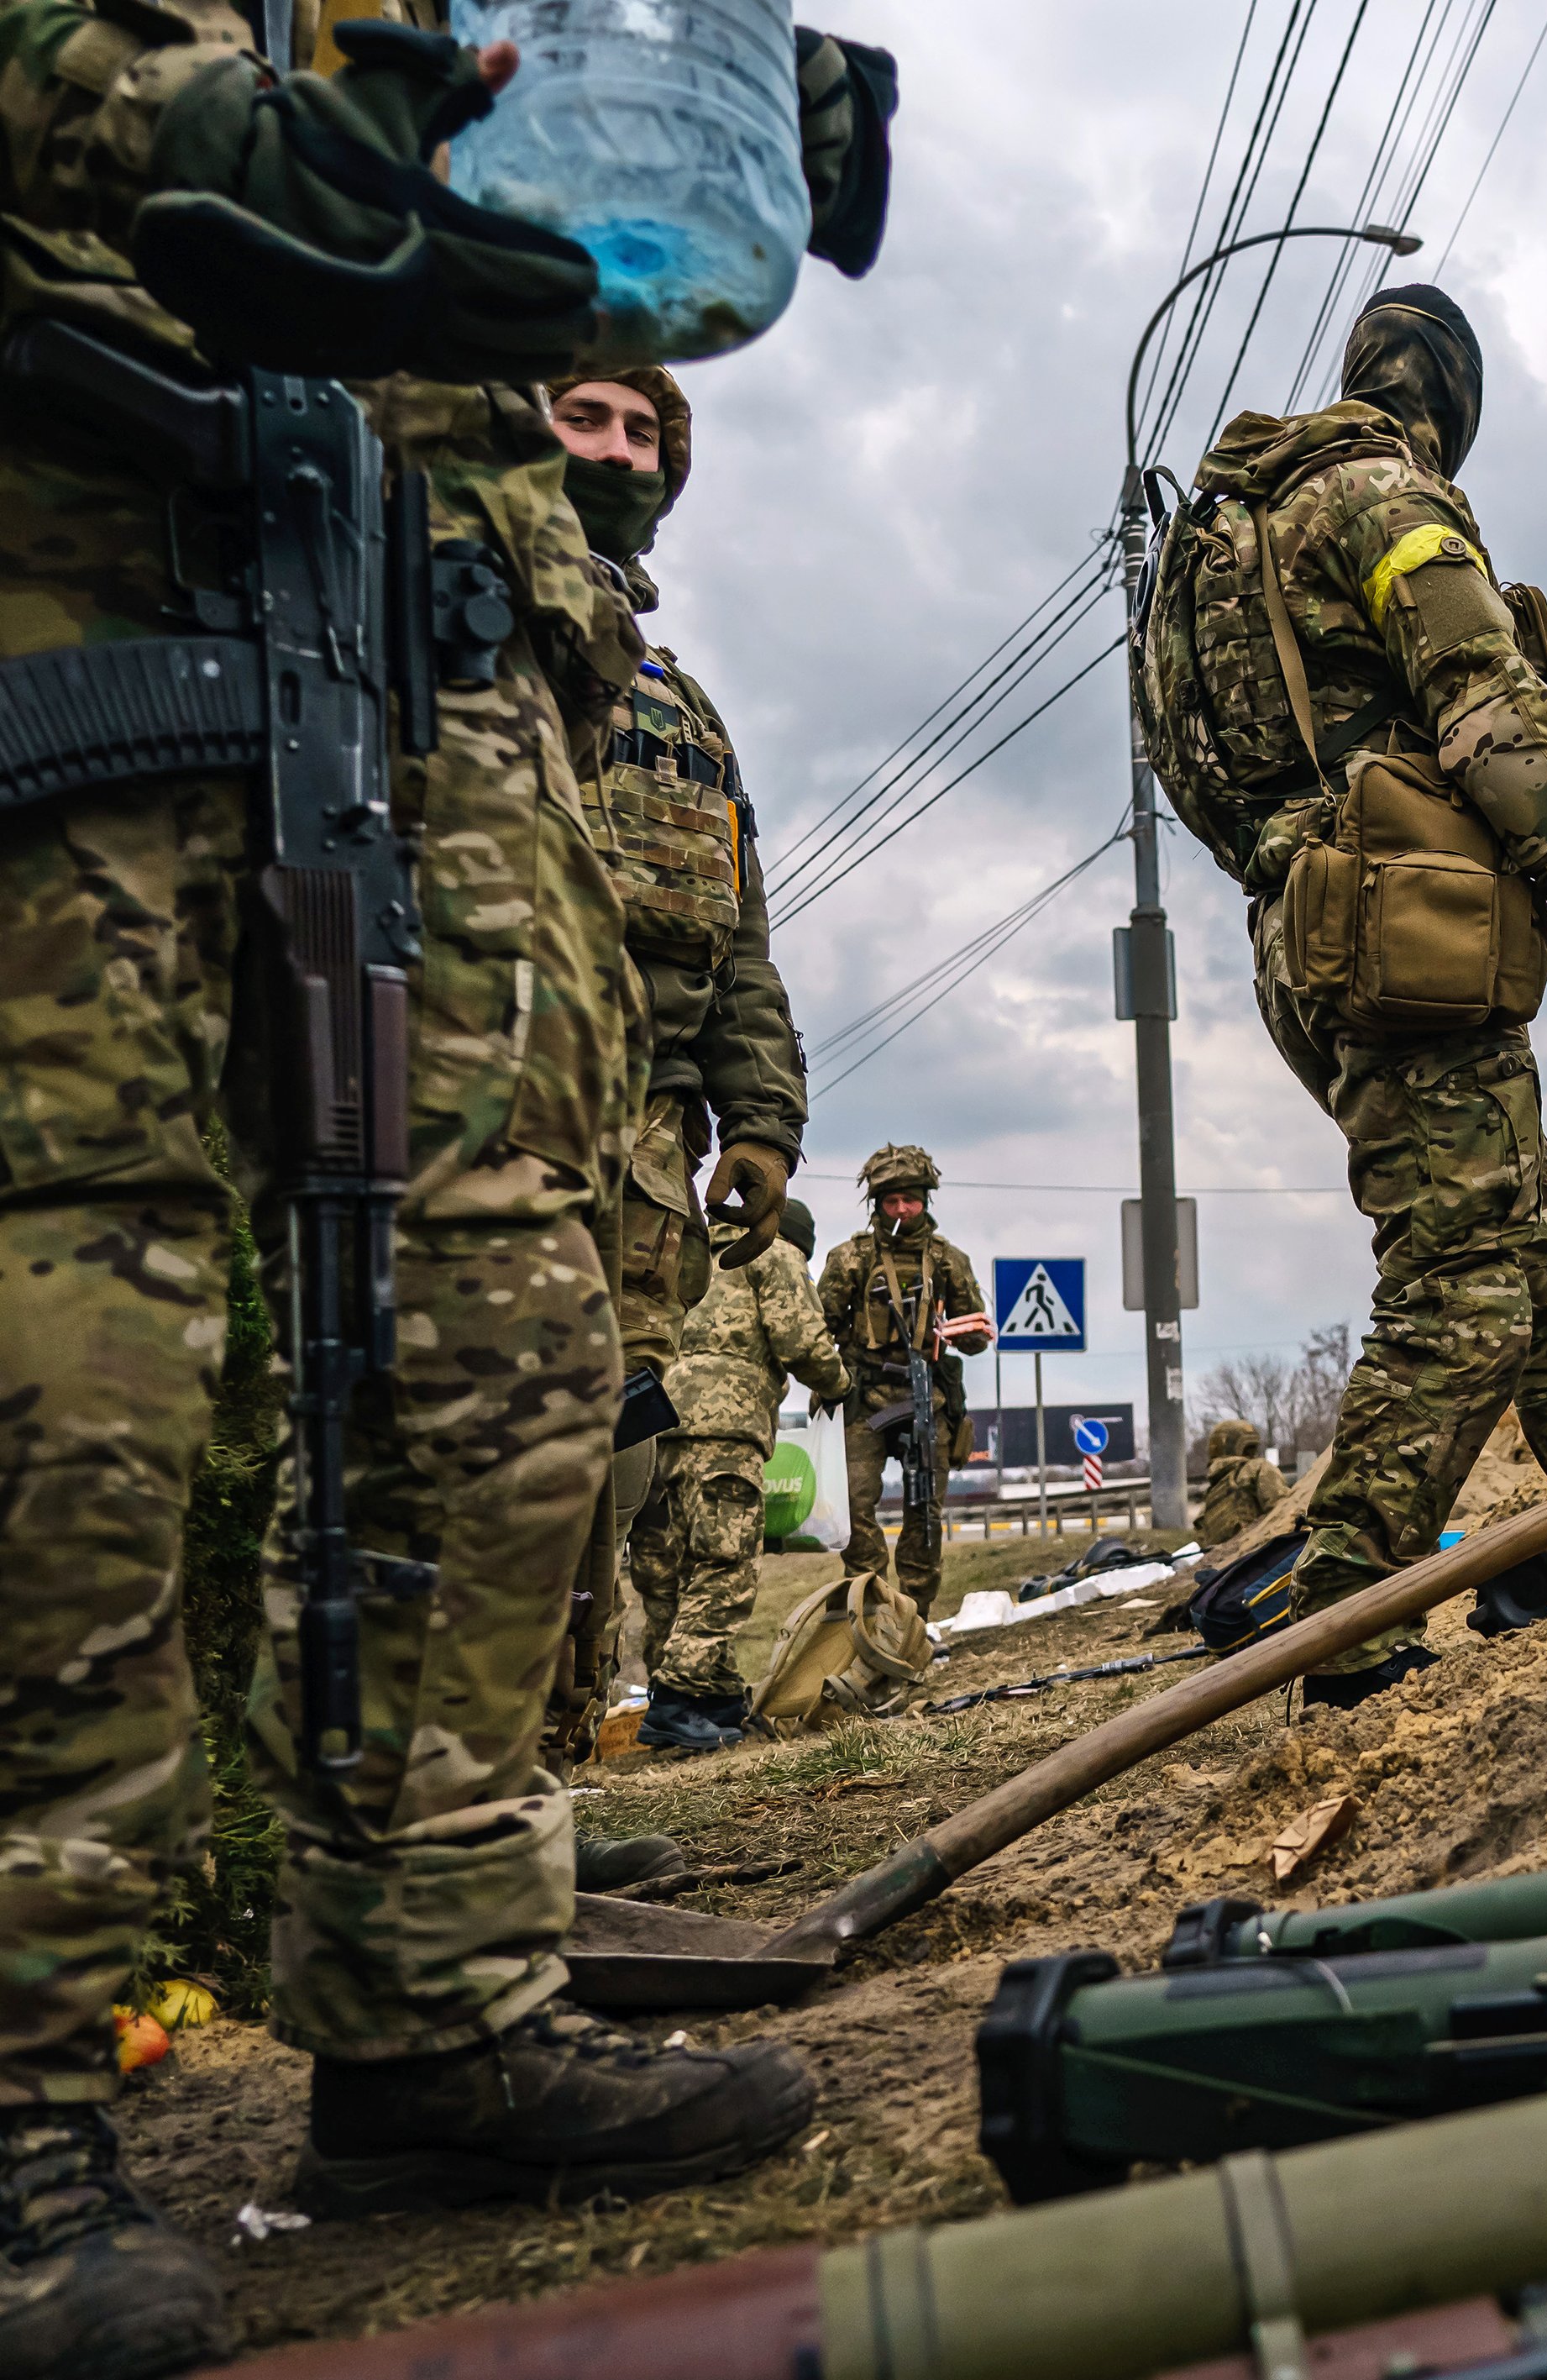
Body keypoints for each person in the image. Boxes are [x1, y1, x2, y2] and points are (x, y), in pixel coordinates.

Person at [0, 13, 889, 2368]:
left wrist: (725, 120)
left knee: (508, 1341)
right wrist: (190, 125)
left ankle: (430, 2018)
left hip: (426, 627)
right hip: (80, 535)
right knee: (71, 1357)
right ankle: (16, 2092)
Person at [1141, 285, 1547, 1708]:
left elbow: (1196, 782)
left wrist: (1302, 864)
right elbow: (1494, 723)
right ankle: (1346, 1613)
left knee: (1523, 1227)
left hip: (1307, 941)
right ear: (1449, 401)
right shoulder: (1386, 500)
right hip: (1415, 931)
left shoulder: (1201, 552)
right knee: (1460, 1277)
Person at [538, 363, 805, 1788]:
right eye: (587, 417)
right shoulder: (461, 618)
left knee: (606, 1457)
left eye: (643, 429)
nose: (618, 449)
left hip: (645, 1143)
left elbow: (741, 939)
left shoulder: (683, 712)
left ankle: (556, 1783)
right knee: (504, 1441)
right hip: (494, 1103)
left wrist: (761, 1120)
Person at [632, 1198, 847, 1752]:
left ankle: (714, 1696)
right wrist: (842, 1385)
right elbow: (803, 1341)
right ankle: (677, 1698)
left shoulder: (681, 1250)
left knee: (668, 1570)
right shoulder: (773, 1253)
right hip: (723, 1429)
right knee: (724, 1568)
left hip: (650, 1424)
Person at [817, 1146, 991, 1611]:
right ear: (877, 1204)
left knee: (925, 1512)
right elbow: (818, 1329)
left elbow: (975, 1331)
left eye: (909, 1200)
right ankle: (870, 1603)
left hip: (925, 1399)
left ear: (925, 1201)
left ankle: (916, 1613)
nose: (901, 1210)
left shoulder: (949, 1260)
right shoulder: (850, 1258)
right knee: (854, 1506)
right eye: (891, 1201)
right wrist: (832, 1382)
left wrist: (968, 1334)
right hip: (864, 1397)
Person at [1193, 1416, 1289, 1545]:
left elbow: (1202, 1540)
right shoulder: (1258, 1467)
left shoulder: (1213, 1493)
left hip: (1228, 1563)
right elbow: (1284, 1511)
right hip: (1260, 1554)